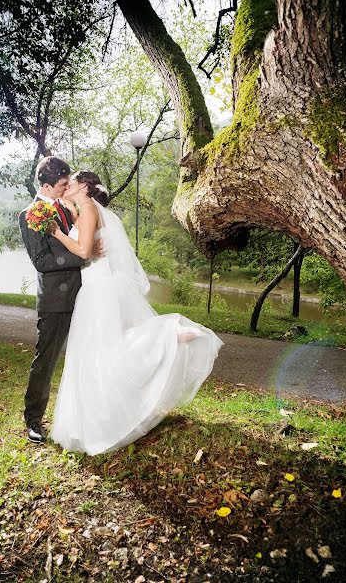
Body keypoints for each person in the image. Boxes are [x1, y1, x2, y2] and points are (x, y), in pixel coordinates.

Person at [49, 171, 223, 455]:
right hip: (94, 285)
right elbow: (86, 243)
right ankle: (97, 418)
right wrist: (69, 212)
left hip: (98, 288)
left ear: (83, 186)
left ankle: (166, 337)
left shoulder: (90, 209)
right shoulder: (85, 209)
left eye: (71, 182)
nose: (66, 186)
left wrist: (56, 232)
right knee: (95, 352)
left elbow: (82, 252)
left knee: (105, 349)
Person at [19, 157, 102, 444]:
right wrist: (82, 255)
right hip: (55, 300)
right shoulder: (30, 214)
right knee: (47, 361)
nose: (67, 188)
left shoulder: (65, 208)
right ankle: (33, 419)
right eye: (63, 184)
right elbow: (41, 260)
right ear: (46, 185)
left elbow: (81, 236)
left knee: (88, 355)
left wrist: (89, 246)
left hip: (84, 294)